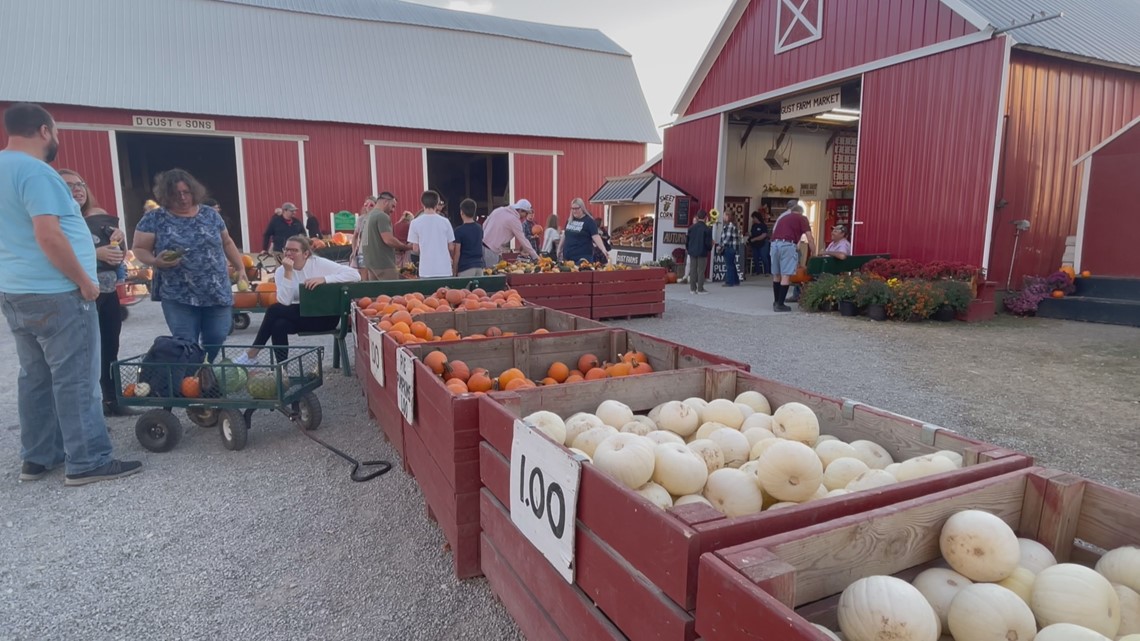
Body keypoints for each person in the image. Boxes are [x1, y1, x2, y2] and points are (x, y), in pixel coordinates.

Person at [0, 102, 142, 485]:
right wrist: (83, 279)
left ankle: (39, 457)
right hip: (56, 292)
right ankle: (88, 459)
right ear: (44, 131)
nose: (57, 138)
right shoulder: (37, 173)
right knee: (76, 378)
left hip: (16, 290)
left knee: (35, 377)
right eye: (56, 131)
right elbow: (48, 234)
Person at [133, 168, 249, 360]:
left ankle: (204, 371)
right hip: (178, 292)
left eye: (186, 192)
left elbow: (227, 242)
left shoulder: (210, 215)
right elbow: (139, 248)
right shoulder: (154, 219)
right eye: (175, 193)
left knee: (218, 335)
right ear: (165, 194)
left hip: (215, 289)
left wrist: (241, 268)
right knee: (185, 341)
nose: (182, 197)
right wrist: (155, 261)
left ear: (194, 191)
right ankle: (191, 382)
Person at [60, 169, 135, 417]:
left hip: (107, 289)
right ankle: (85, 412)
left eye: (80, 184)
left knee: (109, 345)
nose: (77, 189)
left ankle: (111, 400)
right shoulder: (56, 219)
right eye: (69, 185)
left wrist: (118, 240)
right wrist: (96, 254)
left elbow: (118, 255)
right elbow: (53, 254)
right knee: (83, 353)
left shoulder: (98, 216)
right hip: (76, 293)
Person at [233, 235, 359, 364]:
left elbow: (355, 275)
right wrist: (288, 272)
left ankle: (252, 353)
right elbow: (284, 302)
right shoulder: (281, 271)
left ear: (305, 254)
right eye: (286, 249)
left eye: (294, 250)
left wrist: (325, 279)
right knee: (278, 325)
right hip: (303, 317)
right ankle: (283, 369)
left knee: (273, 310)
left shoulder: (318, 263)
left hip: (325, 317)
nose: (289, 253)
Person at [769, 204, 815, 312]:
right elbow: (810, 237)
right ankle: (780, 304)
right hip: (787, 245)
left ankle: (776, 301)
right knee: (786, 275)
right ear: (801, 212)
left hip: (774, 244)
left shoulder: (783, 218)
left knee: (776, 275)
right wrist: (813, 252)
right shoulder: (802, 218)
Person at [361, 192, 412, 280]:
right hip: (383, 264)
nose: (393, 210)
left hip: (370, 263)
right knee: (393, 292)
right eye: (393, 206)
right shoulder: (382, 216)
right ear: (385, 202)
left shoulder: (367, 217)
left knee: (377, 293)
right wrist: (406, 247)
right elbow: (388, 240)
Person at [408, 191, 456, 278]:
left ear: (422, 203)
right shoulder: (445, 222)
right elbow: (451, 247)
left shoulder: (415, 223)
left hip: (426, 269)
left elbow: (415, 249)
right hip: (444, 269)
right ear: (437, 203)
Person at [482, 198, 540, 265]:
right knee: (491, 273)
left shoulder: (499, 210)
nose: (525, 216)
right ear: (521, 210)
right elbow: (523, 240)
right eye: (526, 213)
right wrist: (535, 256)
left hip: (481, 247)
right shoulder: (514, 220)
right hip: (491, 251)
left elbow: (484, 224)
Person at [560, 198, 609, 264]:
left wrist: (603, 249)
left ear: (582, 208)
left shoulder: (589, 221)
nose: (574, 211)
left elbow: (596, 236)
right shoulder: (569, 220)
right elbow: (565, 235)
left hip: (583, 258)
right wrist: (559, 248)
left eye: (577, 208)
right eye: (573, 208)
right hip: (567, 257)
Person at [453, 198, 485, 277]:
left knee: (464, 290)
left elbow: (457, 253)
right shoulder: (479, 228)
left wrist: (454, 270)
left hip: (465, 267)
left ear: (461, 212)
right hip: (479, 266)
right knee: (478, 290)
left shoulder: (459, 231)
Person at [686, 209, 713, 294]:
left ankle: (692, 289)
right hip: (702, 251)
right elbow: (708, 243)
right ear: (705, 217)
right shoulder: (707, 229)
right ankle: (700, 289)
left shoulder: (691, 228)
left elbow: (687, 240)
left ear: (697, 217)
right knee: (701, 271)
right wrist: (709, 249)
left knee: (693, 269)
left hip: (692, 251)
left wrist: (688, 249)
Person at [349, 196, 376, 277]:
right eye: (366, 204)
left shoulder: (378, 218)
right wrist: (354, 250)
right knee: (364, 275)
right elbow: (355, 236)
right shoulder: (361, 219)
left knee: (374, 276)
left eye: (371, 205)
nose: (368, 207)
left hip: (375, 252)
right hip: (363, 251)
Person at [718, 212, 742, 287]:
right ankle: (736, 280)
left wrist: (721, 245)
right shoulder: (732, 225)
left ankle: (729, 281)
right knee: (732, 264)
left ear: (728, 216)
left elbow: (727, 238)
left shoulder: (729, 226)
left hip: (729, 247)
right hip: (733, 248)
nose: (723, 217)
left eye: (724, 215)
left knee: (729, 265)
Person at [748, 210, 770, 275]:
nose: (753, 220)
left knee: (763, 256)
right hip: (755, 244)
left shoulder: (763, 225)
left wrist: (755, 239)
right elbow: (752, 234)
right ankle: (757, 271)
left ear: (756, 218)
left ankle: (767, 271)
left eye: (753, 218)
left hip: (763, 243)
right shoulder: (753, 226)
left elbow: (764, 235)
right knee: (755, 257)